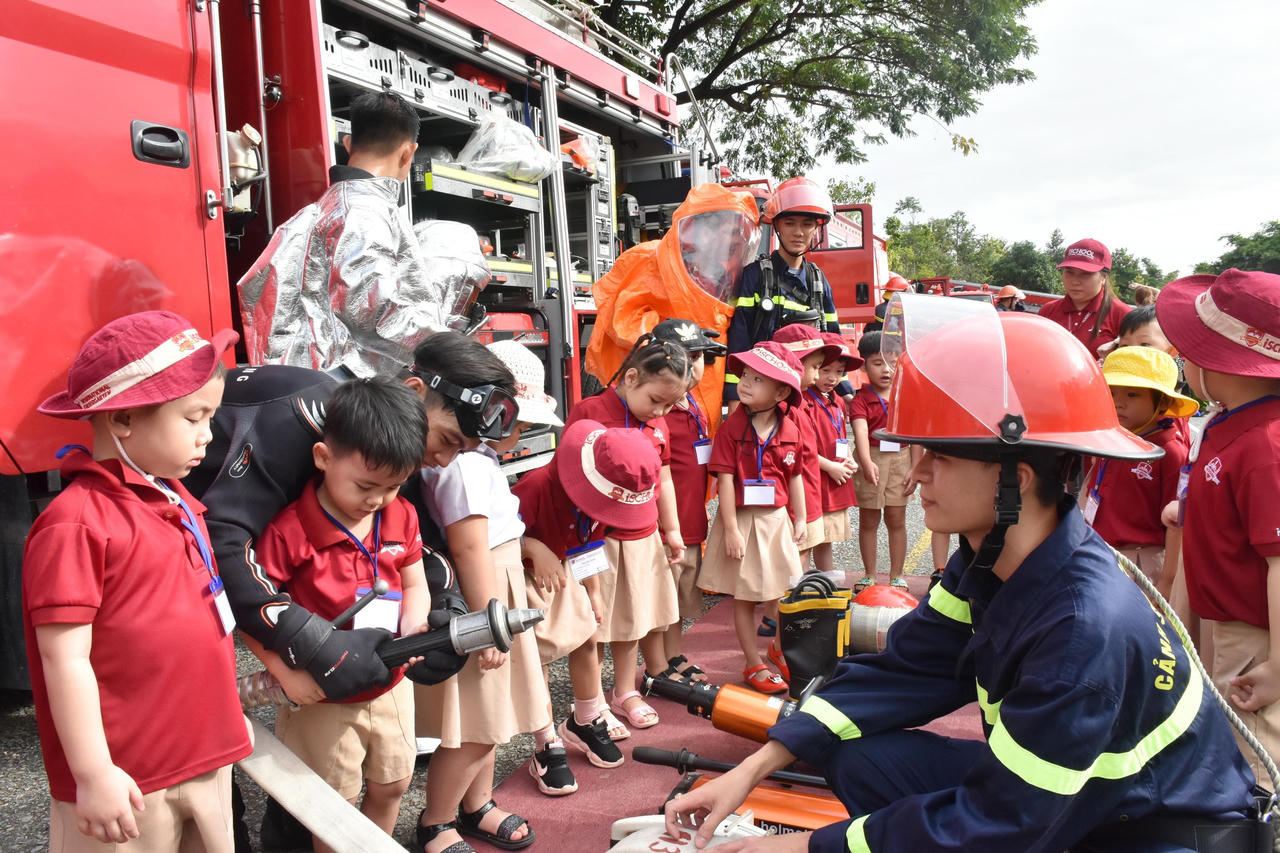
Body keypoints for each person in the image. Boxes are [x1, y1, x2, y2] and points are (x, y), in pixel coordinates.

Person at [665, 300, 1259, 853]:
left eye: (941, 456)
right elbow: (906, 668)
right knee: (856, 756)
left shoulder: (1083, 629)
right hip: (1077, 800)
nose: (918, 474)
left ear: (1015, 480)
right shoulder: (985, 561)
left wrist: (802, 846)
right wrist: (751, 771)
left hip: (1144, 829)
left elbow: (1000, 822)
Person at [185, 330, 520, 706]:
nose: (444, 461)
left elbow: (411, 542)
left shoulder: (385, 456)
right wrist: (303, 638)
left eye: (461, 453)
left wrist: (445, 608)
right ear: (414, 391)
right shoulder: (299, 424)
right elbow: (224, 544)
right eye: (447, 441)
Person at [23, 311, 252, 850]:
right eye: (194, 417)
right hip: (129, 781)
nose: (208, 434)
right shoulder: (76, 524)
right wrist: (93, 774)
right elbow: (65, 658)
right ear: (123, 419)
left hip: (204, 757)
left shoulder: (178, 501)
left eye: (211, 416)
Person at [249, 378, 430, 852]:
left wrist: (414, 630)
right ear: (323, 457)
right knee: (333, 804)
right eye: (366, 486)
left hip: (390, 680)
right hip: (321, 693)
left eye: (393, 486)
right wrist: (284, 673)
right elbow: (254, 613)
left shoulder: (401, 514)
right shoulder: (290, 531)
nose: (377, 500)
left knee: (394, 782)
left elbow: (414, 582)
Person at [413, 343, 553, 851]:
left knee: (491, 717)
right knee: (478, 724)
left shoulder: (473, 458)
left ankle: (477, 804)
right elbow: (470, 544)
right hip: (487, 591)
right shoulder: (465, 464)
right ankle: (437, 821)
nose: (520, 432)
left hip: (495, 586)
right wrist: (489, 621)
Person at [1156, 268, 1280, 783]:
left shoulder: (1266, 445)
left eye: (1188, 348)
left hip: (1257, 638)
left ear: (1217, 361)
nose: (1182, 358)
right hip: (1226, 622)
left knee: (1257, 757)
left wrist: (1278, 668)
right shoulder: (1234, 422)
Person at [237, 90, 451, 377]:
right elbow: (375, 311)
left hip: (327, 384)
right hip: (358, 388)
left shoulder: (332, 205)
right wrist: (450, 349)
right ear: (408, 153)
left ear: (348, 143)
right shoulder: (365, 210)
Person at [514, 421, 659, 773]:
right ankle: (545, 740)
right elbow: (497, 539)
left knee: (587, 637)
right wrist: (530, 547)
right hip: (528, 576)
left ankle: (586, 718)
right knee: (539, 655)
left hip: (567, 570)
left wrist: (594, 592)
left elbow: (589, 542)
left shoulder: (599, 502)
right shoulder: (535, 487)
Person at [564, 337, 690, 727]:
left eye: (669, 405)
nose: (660, 411)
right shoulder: (589, 412)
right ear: (631, 377)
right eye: (656, 400)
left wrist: (672, 529)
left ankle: (624, 691)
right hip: (596, 536)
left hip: (641, 534)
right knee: (594, 620)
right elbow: (568, 471)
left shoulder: (657, 423)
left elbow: (664, 479)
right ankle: (592, 701)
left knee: (632, 614)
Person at [586, 182, 761, 434]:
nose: (737, 239)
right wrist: (675, 344)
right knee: (660, 439)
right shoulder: (653, 260)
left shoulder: (717, 274)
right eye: (731, 231)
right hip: (661, 380)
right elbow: (625, 320)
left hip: (704, 376)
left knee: (699, 434)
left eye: (740, 233)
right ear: (703, 229)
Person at [701, 342, 807, 694]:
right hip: (743, 520)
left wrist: (801, 518)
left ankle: (777, 649)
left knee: (784, 591)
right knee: (745, 596)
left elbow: (795, 477)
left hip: (776, 520)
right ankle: (753, 662)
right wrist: (731, 529)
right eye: (745, 375)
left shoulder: (790, 430)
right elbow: (725, 480)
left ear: (781, 392)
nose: (744, 382)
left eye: (757, 379)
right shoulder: (732, 428)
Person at [724, 177, 853, 405]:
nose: (798, 232)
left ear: (817, 228)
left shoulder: (818, 282)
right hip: (764, 395)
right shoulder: (755, 276)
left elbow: (833, 339)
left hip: (807, 398)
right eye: (790, 223)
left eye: (807, 224)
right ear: (776, 226)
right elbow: (739, 340)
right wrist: (735, 400)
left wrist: (845, 392)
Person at [649, 319, 728, 686]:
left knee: (680, 597)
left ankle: (673, 655)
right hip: (665, 525)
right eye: (687, 356)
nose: (695, 366)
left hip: (692, 520)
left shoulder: (691, 400)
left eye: (699, 357)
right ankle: (656, 667)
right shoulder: (657, 407)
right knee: (660, 600)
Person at [1082, 347, 1196, 590]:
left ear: (1163, 401)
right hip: (1098, 548)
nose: (1118, 403)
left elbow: (1177, 524)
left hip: (1140, 561)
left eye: (1132, 395)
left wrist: (1168, 581)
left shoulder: (1170, 451)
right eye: (1111, 392)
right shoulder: (1112, 435)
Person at [848, 331, 914, 592]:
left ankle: (897, 575)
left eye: (892, 362)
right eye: (878, 363)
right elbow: (860, 432)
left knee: (897, 519)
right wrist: (865, 462)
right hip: (872, 458)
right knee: (869, 519)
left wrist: (916, 468)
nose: (886, 370)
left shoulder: (906, 397)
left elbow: (914, 437)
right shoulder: (860, 400)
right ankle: (869, 574)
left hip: (902, 459)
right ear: (864, 366)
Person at [813, 332, 864, 573]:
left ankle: (826, 578)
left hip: (835, 475)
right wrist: (830, 466)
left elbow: (841, 435)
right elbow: (801, 448)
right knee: (806, 536)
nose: (832, 378)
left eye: (839, 371)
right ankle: (794, 583)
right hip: (815, 477)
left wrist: (849, 458)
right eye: (825, 370)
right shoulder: (802, 401)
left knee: (827, 536)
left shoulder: (837, 401)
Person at [1037, 238, 1131, 357]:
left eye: (1086, 274)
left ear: (1104, 277)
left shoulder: (1122, 315)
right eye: (1069, 272)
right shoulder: (1047, 311)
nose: (1075, 281)